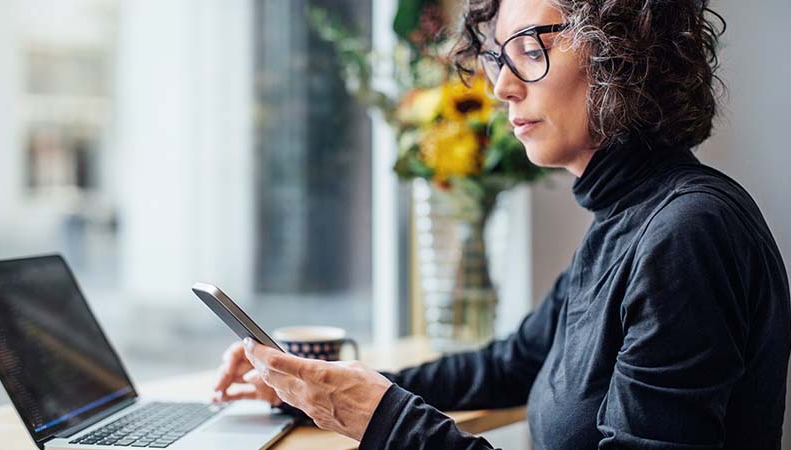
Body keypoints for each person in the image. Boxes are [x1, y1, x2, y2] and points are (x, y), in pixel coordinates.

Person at [212, 0, 791, 448]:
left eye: (530, 48)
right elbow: (506, 366)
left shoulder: (687, 233)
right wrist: (319, 389)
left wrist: (384, 420)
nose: (501, 86)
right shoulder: (627, 221)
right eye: (498, 56)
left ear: (624, 53)